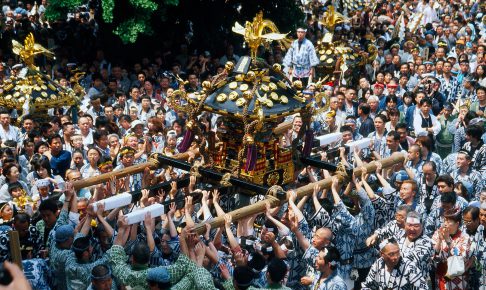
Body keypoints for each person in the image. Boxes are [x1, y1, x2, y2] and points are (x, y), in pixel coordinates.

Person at [362, 238, 428, 289]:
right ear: (382, 254)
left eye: (398, 252)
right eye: (391, 254)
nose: (396, 257)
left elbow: (423, 288)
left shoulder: (409, 267)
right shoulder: (378, 264)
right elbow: (367, 286)